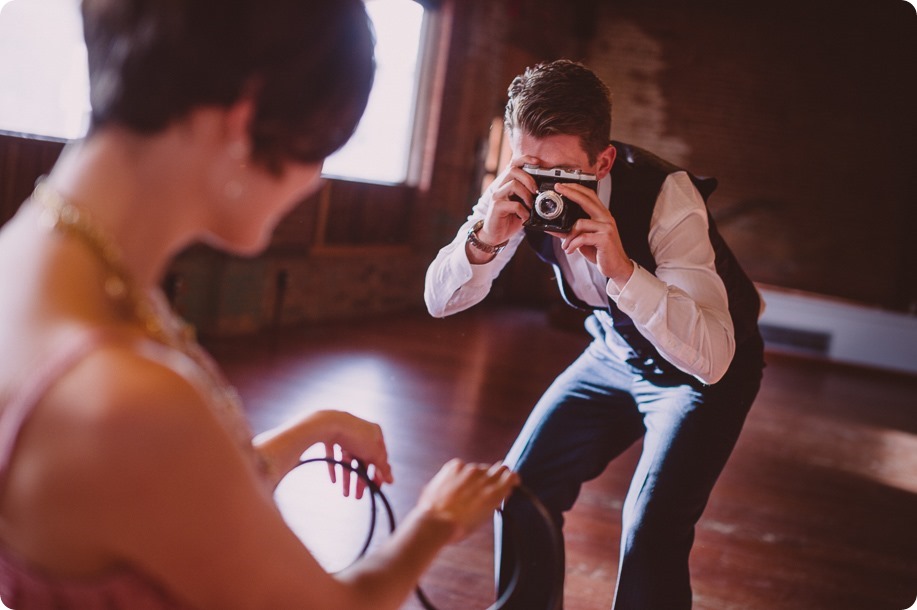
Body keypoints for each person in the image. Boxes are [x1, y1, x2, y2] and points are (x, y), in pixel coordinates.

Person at [0, 1, 518, 609]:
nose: (316, 180)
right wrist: (437, 520)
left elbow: (158, 500)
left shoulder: (40, 267)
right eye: (324, 143)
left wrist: (306, 430)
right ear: (245, 118)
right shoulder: (124, 398)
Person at [424, 59, 765, 609]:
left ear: (602, 159)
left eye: (561, 171)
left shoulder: (666, 197)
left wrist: (625, 271)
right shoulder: (519, 185)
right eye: (529, 163)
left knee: (651, 531)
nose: (545, 186)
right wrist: (485, 237)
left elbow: (713, 356)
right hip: (613, 352)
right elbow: (439, 300)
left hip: (703, 373)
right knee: (519, 492)